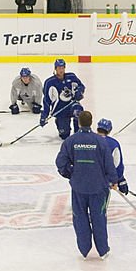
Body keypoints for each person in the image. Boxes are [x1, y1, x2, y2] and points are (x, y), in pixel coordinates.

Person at [55, 110, 118, 259]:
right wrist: (113, 180)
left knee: (80, 217)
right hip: (98, 188)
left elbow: (61, 163)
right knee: (99, 217)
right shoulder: (100, 141)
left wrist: (70, 174)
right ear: (91, 123)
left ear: (79, 122)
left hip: (79, 187)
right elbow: (109, 164)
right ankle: (103, 250)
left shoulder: (71, 141)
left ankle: (84, 249)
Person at [40, 58, 85, 140]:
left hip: (72, 105)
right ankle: (60, 123)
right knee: (64, 135)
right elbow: (46, 100)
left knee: (78, 111)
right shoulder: (49, 82)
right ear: (55, 69)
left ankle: (78, 134)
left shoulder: (71, 76)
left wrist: (79, 91)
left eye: (62, 68)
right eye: (59, 68)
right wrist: (44, 115)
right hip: (59, 109)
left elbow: (81, 86)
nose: (61, 70)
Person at [96, 118, 129, 195]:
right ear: (109, 130)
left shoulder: (88, 140)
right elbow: (117, 164)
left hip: (85, 179)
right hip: (104, 181)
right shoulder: (113, 143)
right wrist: (120, 179)